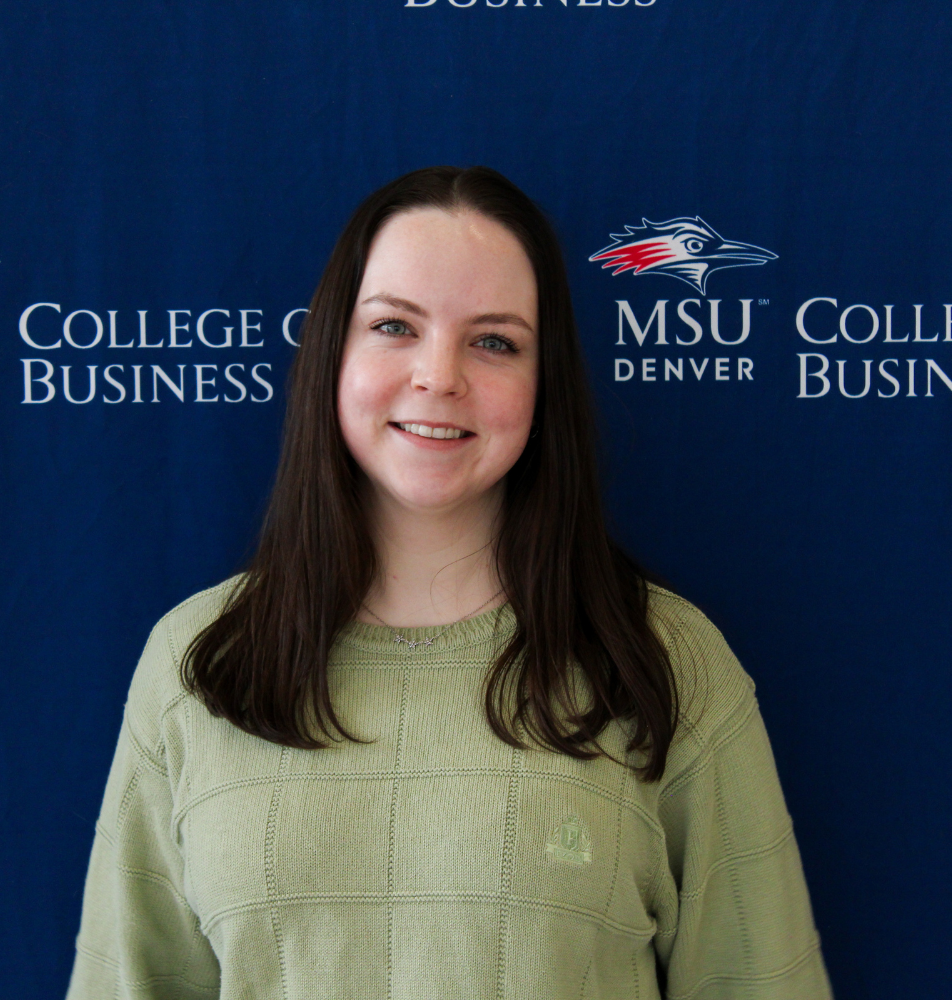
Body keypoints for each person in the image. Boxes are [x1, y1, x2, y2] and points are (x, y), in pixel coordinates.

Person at [66, 166, 832, 999]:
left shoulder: (665, 663)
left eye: (494, 340)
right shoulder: (197, 664)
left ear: (545, 385)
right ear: (333, 352)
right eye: (395, 325)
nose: (439, 376)